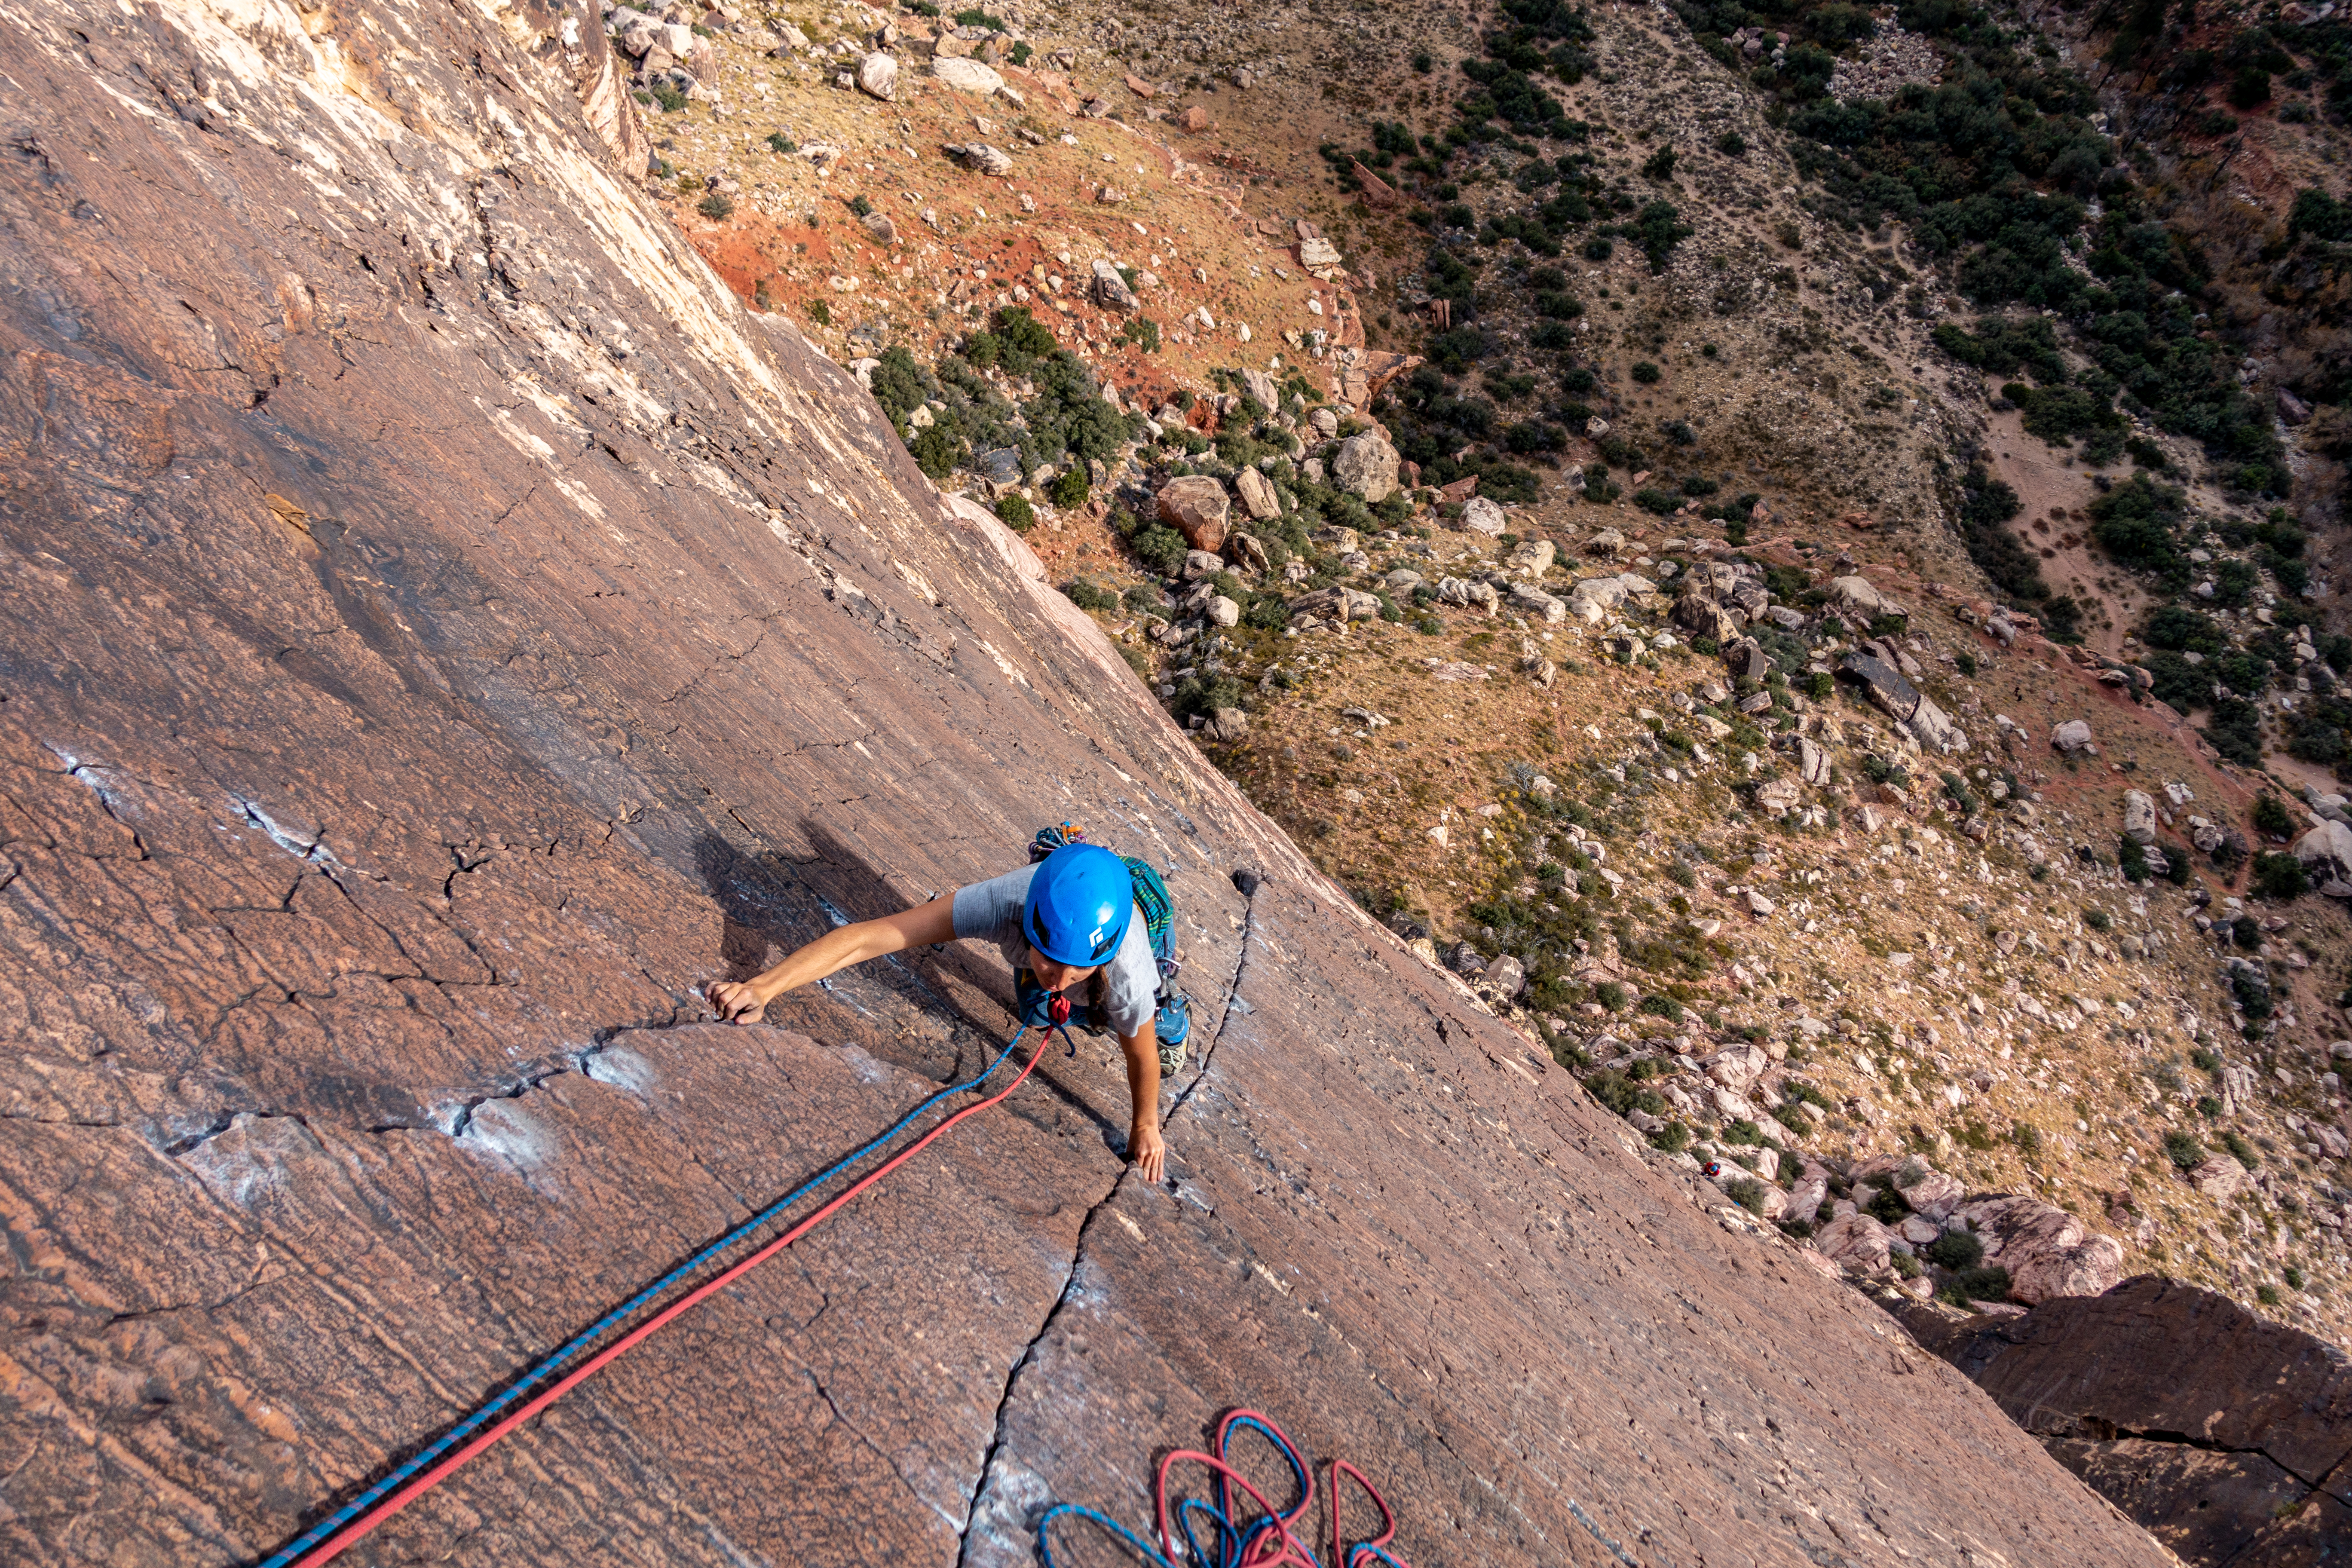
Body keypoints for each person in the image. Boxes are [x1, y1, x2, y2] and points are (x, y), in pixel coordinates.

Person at [705, 841, 1188, 1182]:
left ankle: (1173, 1013)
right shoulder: (1003, 904)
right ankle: (1051, 980)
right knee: (1039, 1007)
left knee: (1134, 1027)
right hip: (1081, 891)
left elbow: (1141, 1058)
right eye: (1047, 958)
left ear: (1099, 960)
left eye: (1073, 971)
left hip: (1137, 924)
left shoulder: (1124, 975)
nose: (1059, 977)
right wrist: (765, 987)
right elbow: (871, 938)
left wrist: (1146, 1126)